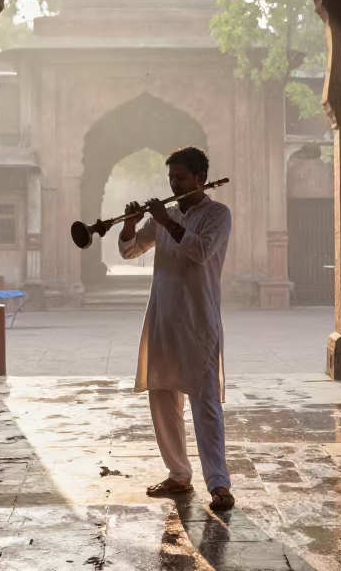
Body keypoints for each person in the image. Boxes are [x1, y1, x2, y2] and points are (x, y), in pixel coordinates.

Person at [118, 146, 234, 511]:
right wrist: (131, 224)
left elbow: (199, 251)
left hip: (198, 321)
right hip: (164, 319)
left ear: (200, 178)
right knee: (163, 398)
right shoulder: (163, 216)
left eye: (180, 177)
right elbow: (130, 251)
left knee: (205, 403)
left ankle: (219, 484)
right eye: (171, 177)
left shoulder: (217, 215)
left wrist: (166, 223)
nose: (174, 183)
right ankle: (178, 474)